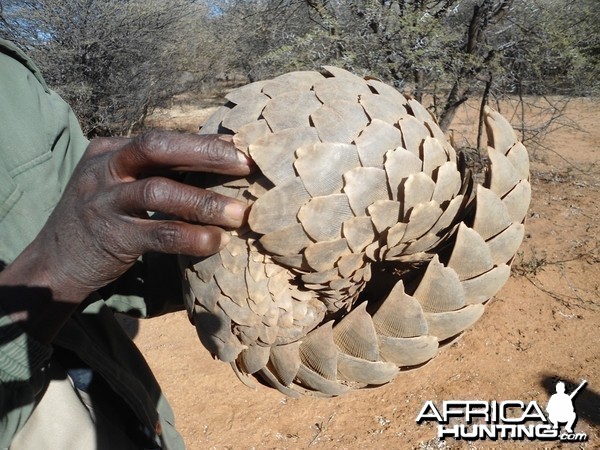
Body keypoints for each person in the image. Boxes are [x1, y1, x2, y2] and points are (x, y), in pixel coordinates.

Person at [0, 39, 252, 448]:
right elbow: (65, 258)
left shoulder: (8, 79)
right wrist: (53, 271)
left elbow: (106, 253)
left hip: (128, 415)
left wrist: (272, 238)